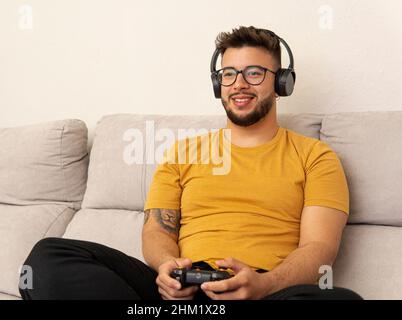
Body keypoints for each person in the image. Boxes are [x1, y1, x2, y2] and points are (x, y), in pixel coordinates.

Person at [19, 26, 362, 300]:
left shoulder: (316, 157)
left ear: (281, 83)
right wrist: (168, 267)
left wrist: (265, 285)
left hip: (263, 291)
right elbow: (156, 230)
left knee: (341, 300)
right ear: (218, 84)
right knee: (49, 257)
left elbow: (319, 249)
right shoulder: (183, 153)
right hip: (183, 290)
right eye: (228, 74)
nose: (239, 84)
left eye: (254, 73)